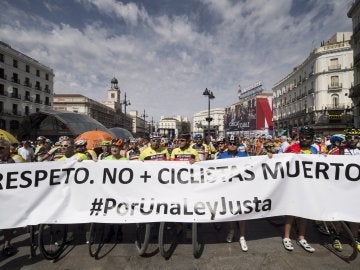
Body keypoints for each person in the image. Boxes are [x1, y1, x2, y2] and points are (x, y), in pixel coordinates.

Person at [282, 126, 317, 253]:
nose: (304, 140)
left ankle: (301, 237)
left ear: (312, 139)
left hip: (308, 186)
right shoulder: (291, 148)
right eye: (302, 137)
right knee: (290, 212)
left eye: (307, 138)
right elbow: (280, 162)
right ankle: (286, 237)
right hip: (293, 185)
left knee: (304, 213)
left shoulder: (314, 150)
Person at [217, 135, 248, 251]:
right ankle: (231, 230)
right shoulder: (222, 156)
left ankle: (242, 236)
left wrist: (269, 157)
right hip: (227, 188)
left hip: (240, 188)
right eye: (230, 143)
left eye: (234, 143)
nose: (232, 145)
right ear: (227, 144)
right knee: (229, 211)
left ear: (237, 144)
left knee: (241, 213)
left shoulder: (244, 155)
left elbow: (255, 165)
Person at [0, 139, 19, 256]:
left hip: (8, 197)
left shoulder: (15, 160)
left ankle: (7, 243)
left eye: (1, 148)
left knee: (7, 222)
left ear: (8, 149)